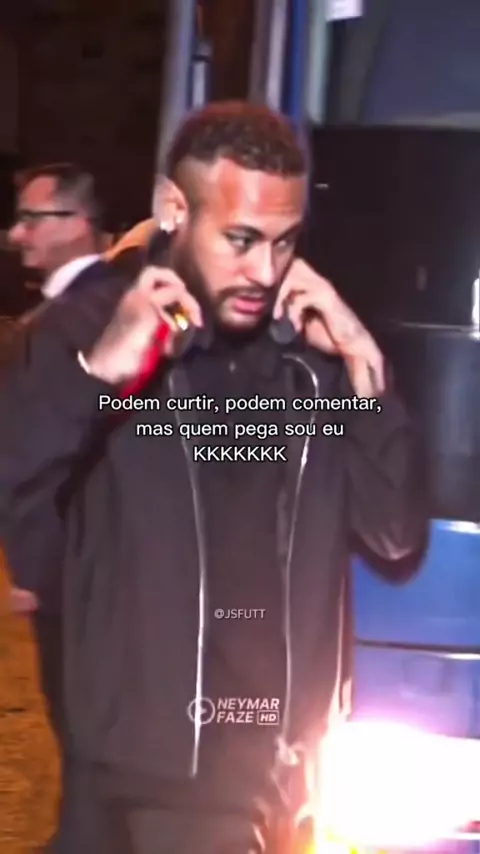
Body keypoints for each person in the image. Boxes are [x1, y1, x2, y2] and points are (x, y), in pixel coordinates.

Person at [0, 102, 426, 854]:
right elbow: (26, 522)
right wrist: (97, 380)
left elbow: (394, 535)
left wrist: (367, 370)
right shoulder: (83, 330)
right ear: (175, 208)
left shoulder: (309, 356)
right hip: (139, 779)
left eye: (285, 242)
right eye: (241, 240)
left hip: (282, 778)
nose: (265, 270)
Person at [3, 162, 113, 853]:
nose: (16, 234)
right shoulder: (94, 307)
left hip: (72, 574)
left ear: (77, 224)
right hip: (84, 569)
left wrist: (37, 573)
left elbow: (51, 458)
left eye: (31, 219)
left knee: (80, 725)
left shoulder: (78, 317)